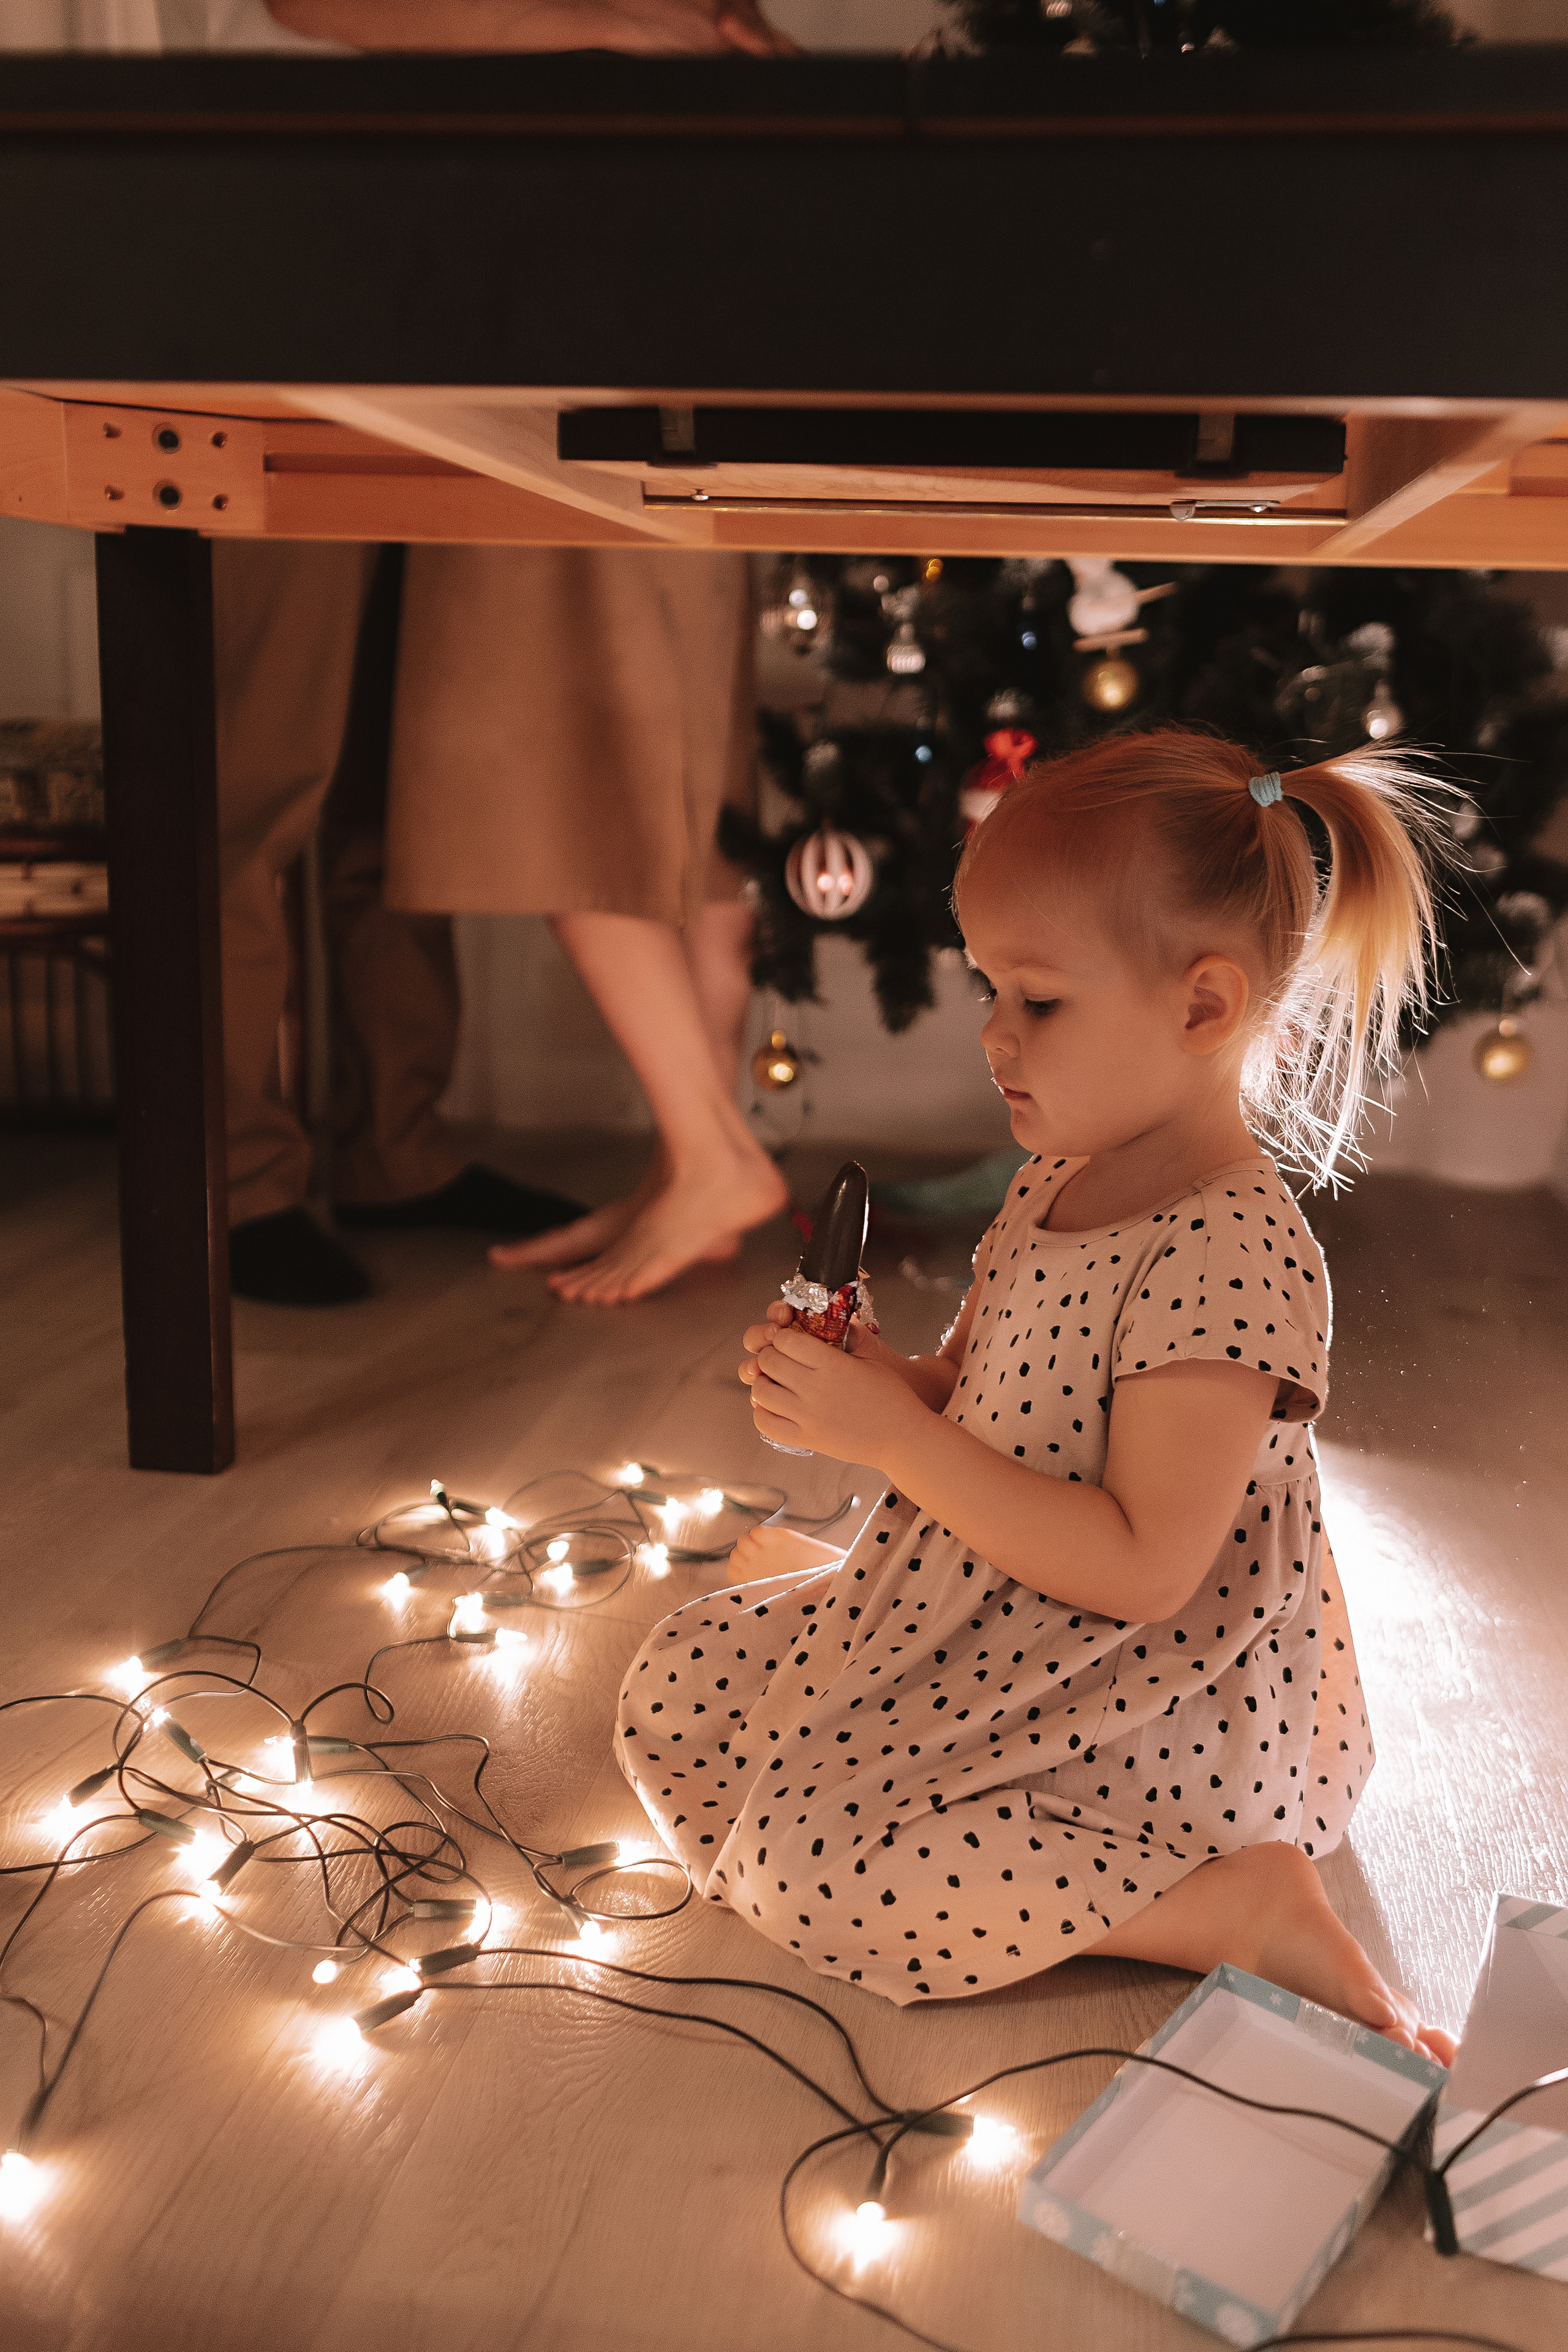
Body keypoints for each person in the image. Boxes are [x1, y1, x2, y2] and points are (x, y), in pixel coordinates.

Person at [616, 727, 1457, 2063]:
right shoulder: (1060, 1171)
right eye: (987, 988)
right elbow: (986, 1391)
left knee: (809, 1863)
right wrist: (883, 1386)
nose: (996, 1036)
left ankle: (1223, 1902)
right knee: (681, 1684)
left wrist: (891, 1435)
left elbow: (1140, 1569)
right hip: (995, 1617)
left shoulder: (1229, 1253)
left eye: (1040, 1001)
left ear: (1201, 1008)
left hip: (1153, 1701)